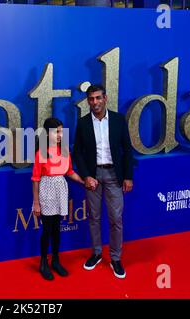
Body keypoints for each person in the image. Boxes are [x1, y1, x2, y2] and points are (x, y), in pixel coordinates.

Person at [73, 84, 135, 279]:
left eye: (98, 98)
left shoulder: (118, 120)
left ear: (105, 98)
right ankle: (97, 253)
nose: (95, 102)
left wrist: (128, 176)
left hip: (114, 175)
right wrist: (86, 176)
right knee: (94, 217)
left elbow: (127, 149)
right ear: (88, 101)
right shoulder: (83, 123)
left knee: (116, 219)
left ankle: (116, 258)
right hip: (93, 176)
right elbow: (77, 153)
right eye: (91, 99)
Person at [32, 117, 84, 281]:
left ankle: (56, 260)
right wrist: (36, 202)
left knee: (56, 229)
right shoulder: (41, 152)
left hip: (61, 189)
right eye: (57, 132)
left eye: (62, 131)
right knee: (47, 230)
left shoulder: (65, 151)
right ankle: (43, 263)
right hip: (46, 191)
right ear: (48, 134)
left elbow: (69, 172)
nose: (60, 135)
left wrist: (84, 181)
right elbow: (35, 179)